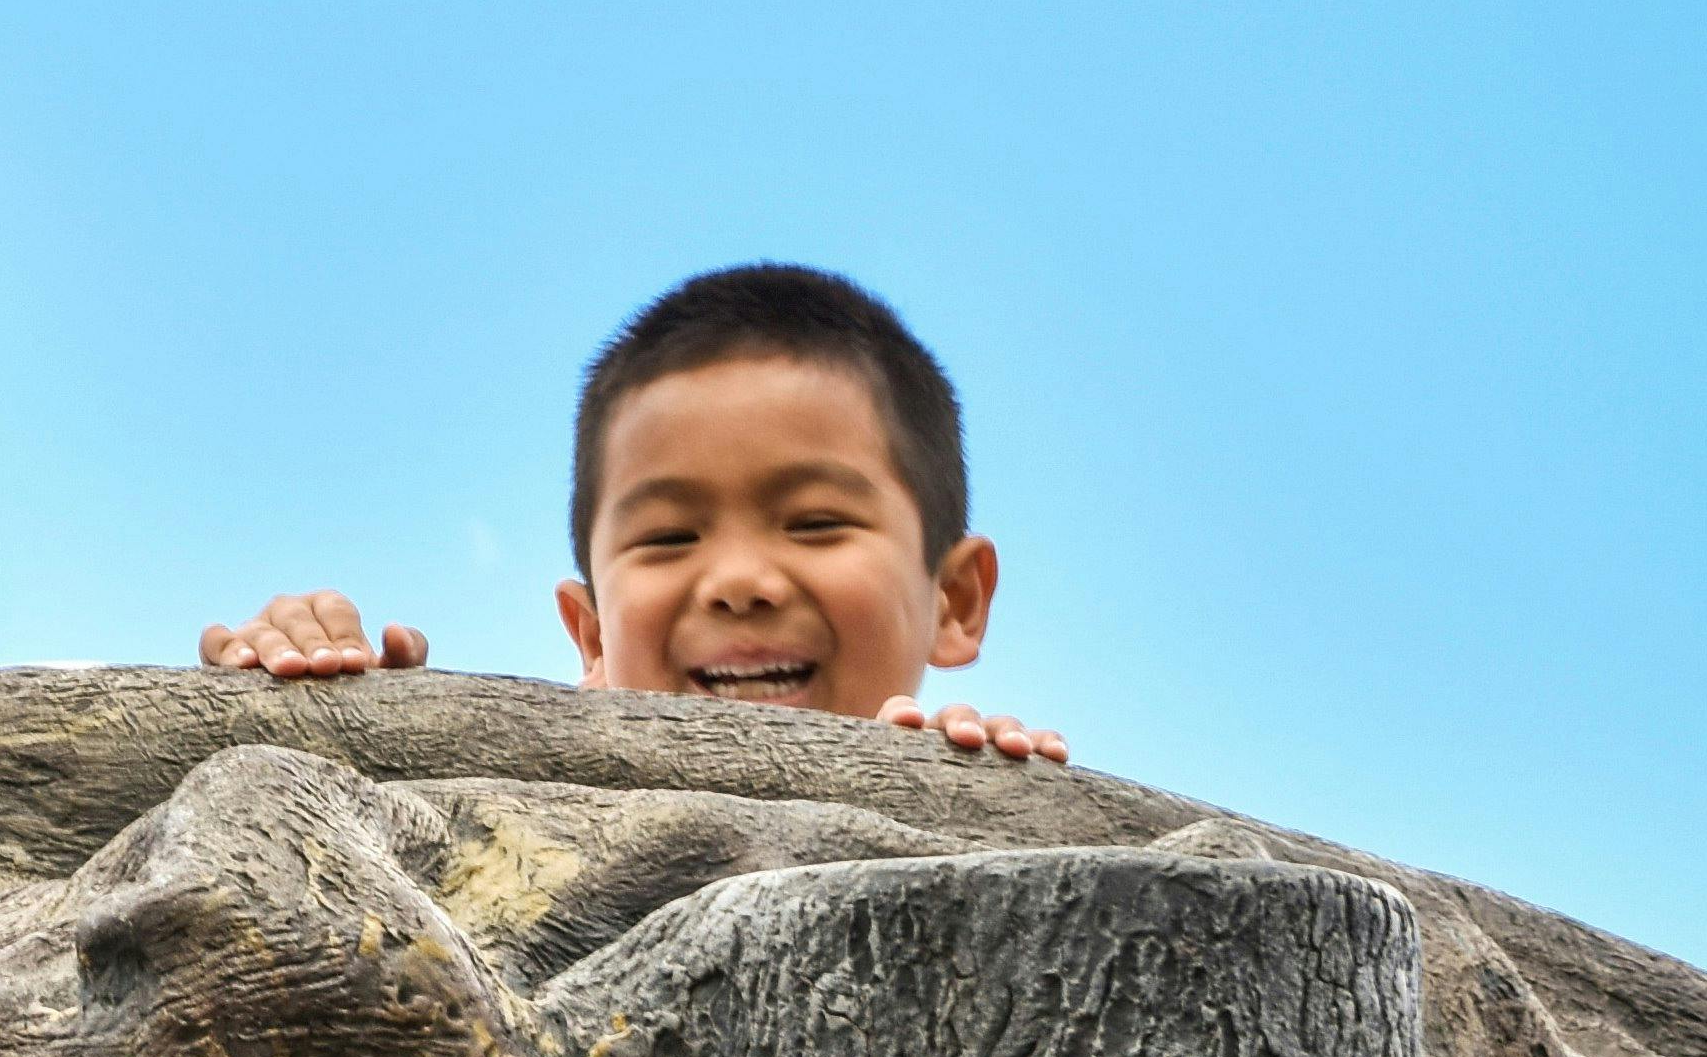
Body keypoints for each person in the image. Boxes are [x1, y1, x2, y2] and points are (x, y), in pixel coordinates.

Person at [199, 256, 1069, 755]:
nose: (738, 580)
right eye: (668, 535)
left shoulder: (973, 795)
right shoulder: (523, 792)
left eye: (814, 523)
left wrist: (963, 793)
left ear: (954, 600)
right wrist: (319, 711)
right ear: (593, 635)